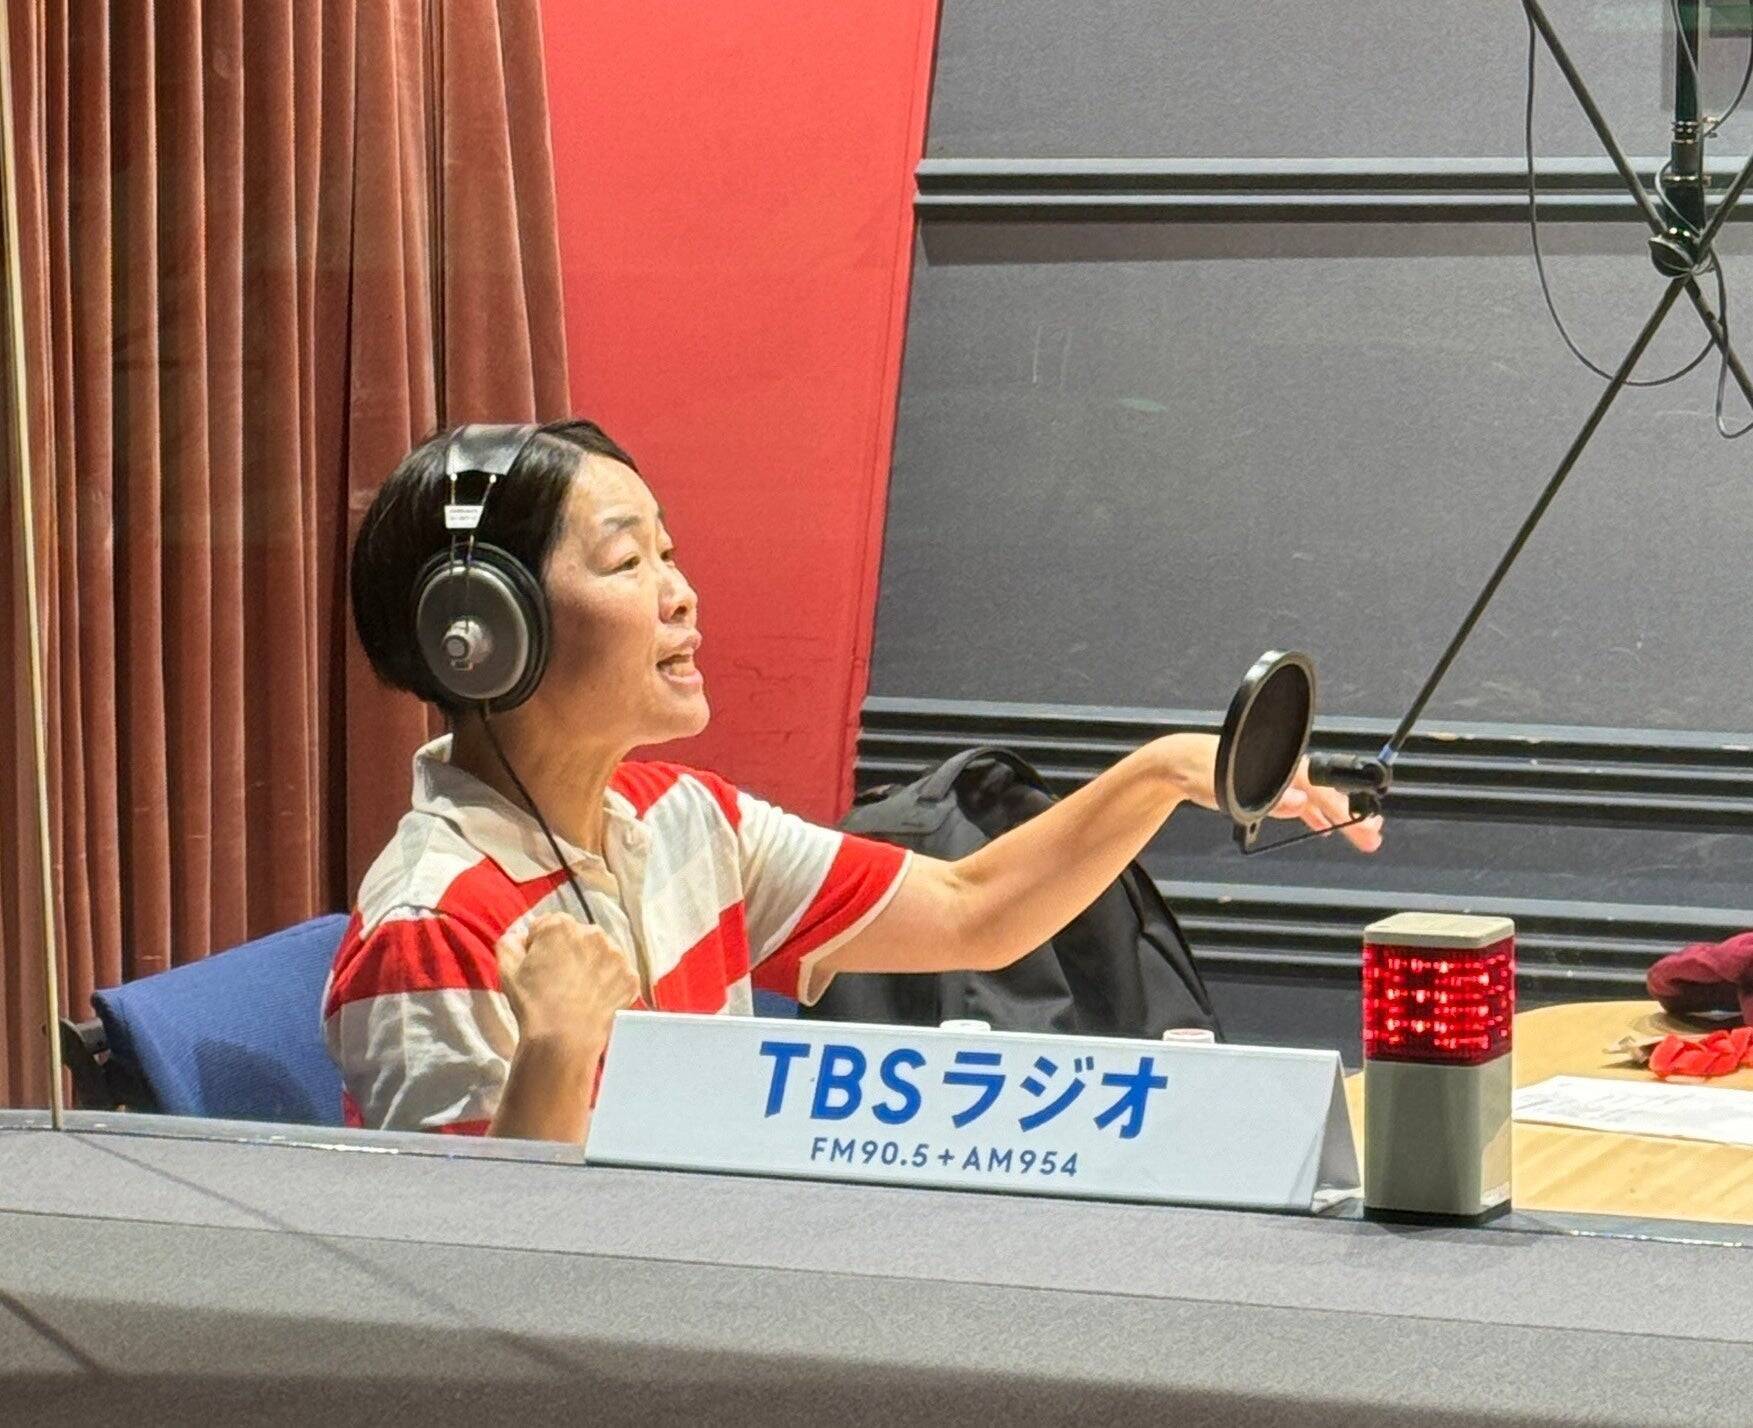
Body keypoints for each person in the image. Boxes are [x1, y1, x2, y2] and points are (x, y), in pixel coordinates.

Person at [327, 419, 1382, 1144]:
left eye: (669, 553)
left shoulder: (684, 821)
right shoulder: (432, 925)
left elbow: (971, 910)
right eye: (627, 563)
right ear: (485, 632)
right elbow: (473, 1283)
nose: (681, 595)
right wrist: (557, 1049)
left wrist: (1162, 773)